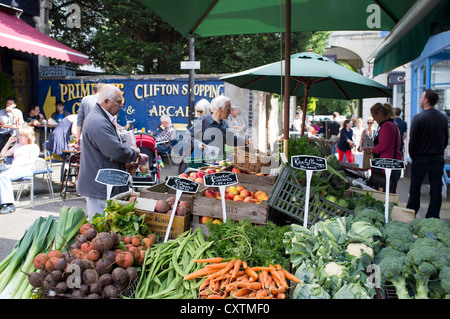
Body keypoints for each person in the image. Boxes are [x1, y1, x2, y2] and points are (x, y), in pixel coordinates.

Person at [77, 84, 148, 221]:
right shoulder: (99, 122)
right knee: (100, 224)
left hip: (103, 184)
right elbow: (114, 151)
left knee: (104, 226)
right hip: (100, 187)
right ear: (106, 102)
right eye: (119, 102)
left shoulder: (100, 117)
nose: (121, 105)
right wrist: (134, 153)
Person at [178, 95, 250, 173]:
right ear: (220, 109)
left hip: (217, 165)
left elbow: (231, 139)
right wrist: (197, 143)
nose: (230, 112)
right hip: (201, 166)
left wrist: (245, 140)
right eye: (228, 109)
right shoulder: (203, 120)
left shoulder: (224, 124)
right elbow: (187, 135)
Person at [407, 89, 448, 218]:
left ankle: (411, 212)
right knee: (436, 189)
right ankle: (433, 216)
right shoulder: (442, 118)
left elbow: (413, 141)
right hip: (437, 158)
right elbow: (445, 139)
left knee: (415, 187)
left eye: (421, 97)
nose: (420, 99)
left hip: (420, 157)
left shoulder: (418, 118)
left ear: (426, 100)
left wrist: (413, 156)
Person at [0, 126, 39, 214]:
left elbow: (31, 161)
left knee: (3, 176)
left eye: (21, 135)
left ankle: (10, 204)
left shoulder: (33, 147)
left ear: (28, 137)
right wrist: (9, 142)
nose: (19, 137)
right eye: (19, 135)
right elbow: (3, 154)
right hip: (14, 168)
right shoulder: (17, 146)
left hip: (26, 169)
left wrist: (15, 166)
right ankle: (2, 203)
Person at [364, 103, 402, 193]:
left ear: (380, 113)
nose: (373, 119)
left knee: (384, 195)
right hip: (392, 164)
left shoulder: (386, 126)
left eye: (374, 115)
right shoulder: (392, 124)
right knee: (390, 193)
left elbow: (383, 146)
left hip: (386, 166)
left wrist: (371, 150)